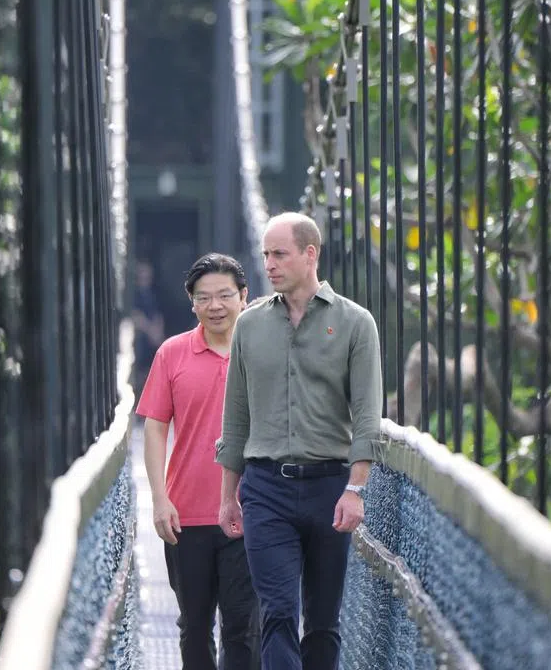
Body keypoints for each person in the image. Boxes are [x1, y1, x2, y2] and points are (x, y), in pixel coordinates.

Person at [215, 212, 383, 670]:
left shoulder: (356, 323)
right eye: (265, 254)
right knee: (279, 611)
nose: (268, 264)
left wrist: (356, 489)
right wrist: (228, 497)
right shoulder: (249, 325)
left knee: (323, 622)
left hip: (330, 488)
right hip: (265, 489)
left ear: (310, 254)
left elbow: (368, 416)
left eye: (279, 254)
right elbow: (236, 417)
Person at [137, 253, 261, 670]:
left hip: (250, 511)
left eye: (225, 295)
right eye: (204, 297)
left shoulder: (263, 353)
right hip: (186, 514)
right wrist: (159, 499)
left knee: (243, 628)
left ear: (244, 296)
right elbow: (155, 428)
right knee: (193, 626)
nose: (215, 306)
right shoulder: (172, 354)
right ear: (192, 303)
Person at [131, 259, 165, 403]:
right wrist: (151, 331)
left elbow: (158, 313)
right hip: (140, 339)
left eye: (147, 276)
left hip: (153, 338)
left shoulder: (152, 293)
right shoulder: (133, 295)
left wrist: (158, 333)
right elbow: (134, 316)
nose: (145, 279)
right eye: (141, 276)